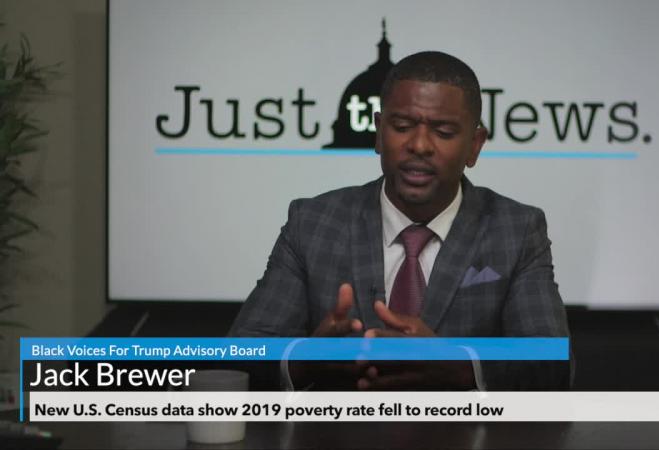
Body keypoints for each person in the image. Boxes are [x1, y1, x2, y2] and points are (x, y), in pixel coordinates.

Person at [230, 51, 570, 390]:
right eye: (402, 127)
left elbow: (554, 364)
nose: (419, 145)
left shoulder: (516, 230)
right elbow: (237, 355)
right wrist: (304, 361)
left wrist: (463, 367)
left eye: (444, 132)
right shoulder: (313, 223)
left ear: (474, 146)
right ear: (379, 133)